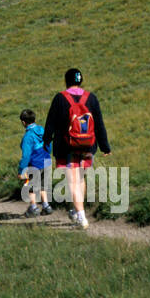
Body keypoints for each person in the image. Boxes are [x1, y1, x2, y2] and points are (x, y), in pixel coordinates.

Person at [43, 68, 110, 229]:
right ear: (81, 80)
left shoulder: (60, 98)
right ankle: (76, 210)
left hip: (67, 147)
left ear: (66, 80)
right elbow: (99, 124)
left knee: (72, 181)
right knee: (80, 180)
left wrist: (46, 140)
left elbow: (51, 122)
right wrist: (105, 146)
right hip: (88, 145)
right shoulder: (91, 98)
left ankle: (81, 217)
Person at [17, 109, 53, 218]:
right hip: (46, 161)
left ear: (23, 122)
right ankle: (46, 206)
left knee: (30, 186)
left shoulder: (27, 137)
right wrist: (47, 154)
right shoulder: (42, 129)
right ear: (35, 119)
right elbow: (48, 143)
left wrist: (21, 170)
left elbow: (26, 156)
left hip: (35, 164)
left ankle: (33, 207)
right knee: (42, 185)